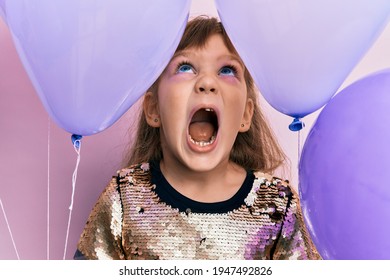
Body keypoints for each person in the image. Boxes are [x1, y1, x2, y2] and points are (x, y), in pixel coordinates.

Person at [75, 16, 321, 260]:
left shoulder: (277, 204)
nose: (206, 82)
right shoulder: (125, 197)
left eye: (227, 70)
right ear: (154, 109)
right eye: (185, 67)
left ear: (245, 114)